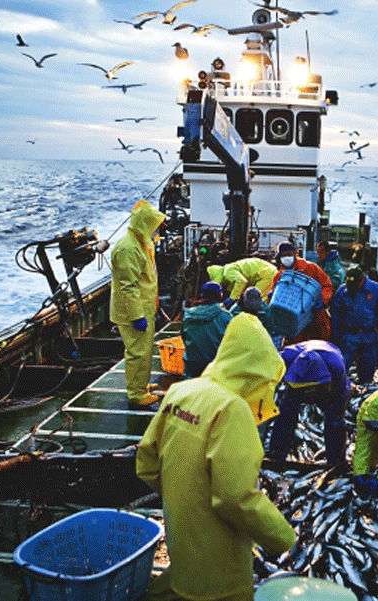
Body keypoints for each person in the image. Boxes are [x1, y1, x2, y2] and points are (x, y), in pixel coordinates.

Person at [137, 313, 295, 601]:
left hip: (180, 536)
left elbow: (146, 463)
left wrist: (179, 496)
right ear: (258, 371)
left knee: (179, 584)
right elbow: (236, 497)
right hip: (220, 560)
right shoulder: (232, 409)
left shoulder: (182, 390)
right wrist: (281, 537)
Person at [110, 199, 166, 407]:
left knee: (145, 349)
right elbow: (128, 286)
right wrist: (136, 316)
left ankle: (141, 385)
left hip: (146, 306)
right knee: (137, 352)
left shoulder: (143, 242)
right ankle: (136, 394)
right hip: (135, 311)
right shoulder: (128, 248)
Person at [267, 340, 351, 467]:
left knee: (335, 421)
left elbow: (342, 397)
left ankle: (335, 462)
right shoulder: (285, 359)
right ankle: (276, 455)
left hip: (327, 381)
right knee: (286, 413)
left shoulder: (336, 368)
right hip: (296, 383)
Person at [330, 263, 378, 384]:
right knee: (340, 368)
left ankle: (365, 387)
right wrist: (336, 334)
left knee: (368, 370)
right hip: (349, 336)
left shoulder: (377, 290)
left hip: (370, 336)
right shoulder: (343, 291)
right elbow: (336, 313)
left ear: (363, 279)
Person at [270, 241, 333, 343]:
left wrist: (323, 300)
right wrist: (271, 294)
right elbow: (273, 291)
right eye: (283, 256)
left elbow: (327, 285)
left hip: (315, 315)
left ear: (295, 254)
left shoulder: (311, 268)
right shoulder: (280, 276)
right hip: (294, 320)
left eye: (289, 255)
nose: (286, 258)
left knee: (319, 346)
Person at [181, 282, 233, 378]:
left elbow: (184, 337)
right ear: (220, 296)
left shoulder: (188, 315)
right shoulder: (226, 317)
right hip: (214, 365)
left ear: (202, 295)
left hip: (192, 365)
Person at [206, 257, 277, 310]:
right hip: (266, 272)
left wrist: (232, 298)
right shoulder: (228, 269)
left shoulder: (228, 272)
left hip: (266, 274)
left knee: (257, 302)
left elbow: (241, 281)